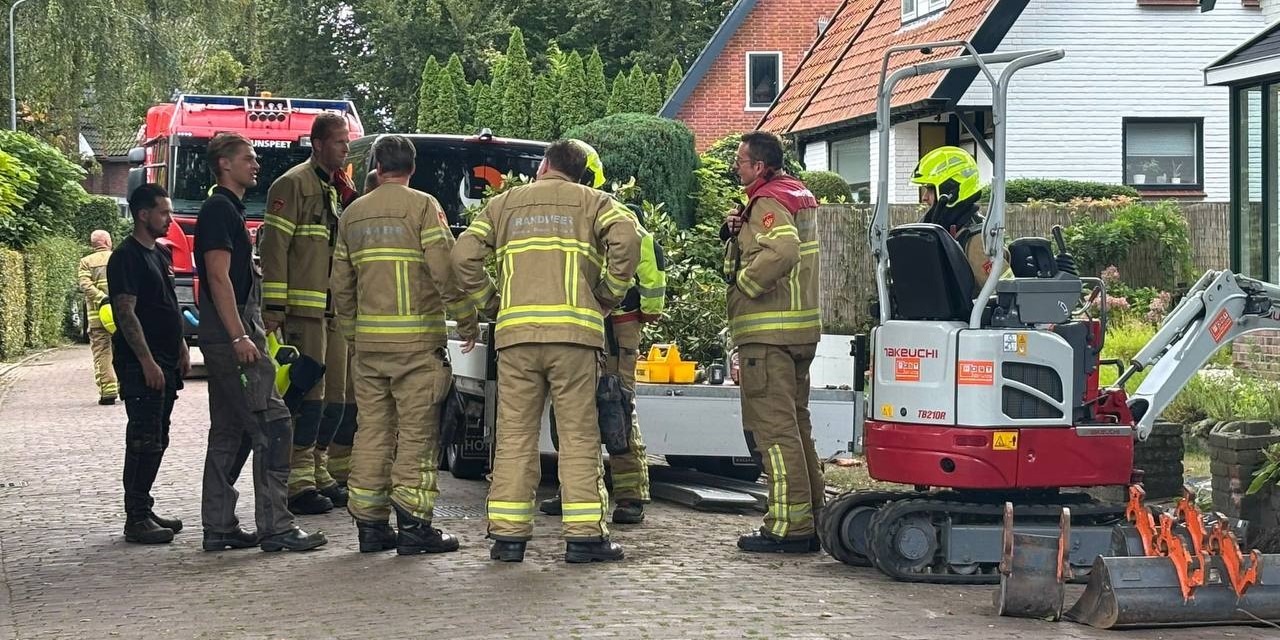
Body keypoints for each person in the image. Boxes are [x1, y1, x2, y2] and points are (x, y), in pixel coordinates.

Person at [453, 139, 639, 563]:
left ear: (543, 166)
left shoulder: (504, 205)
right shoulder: (596, 203)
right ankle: (584, 538)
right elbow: (627, 238)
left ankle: (508, 537)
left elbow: (463, 254)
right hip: (574, 337)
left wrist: (492, 303)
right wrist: (608, 294)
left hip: (517, 338)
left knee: (515, 434)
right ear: (578, 172)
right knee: (577, 436)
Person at [330, 135, 479, 554]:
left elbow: (340, 285)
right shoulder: (422, 206)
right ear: (412, 168)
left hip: (370, 349)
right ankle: (414, 529)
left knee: (372, 432)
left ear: (376, 166)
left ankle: (371, 528)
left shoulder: (353, 214)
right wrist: (466, 318)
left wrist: (352, 334)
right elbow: (443, 270)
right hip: (416, 348)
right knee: (416, 435)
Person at [196, 132, 327, 553]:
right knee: (274, 424)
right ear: (224, 165)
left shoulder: (228, 210)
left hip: (226, 336)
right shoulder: (219, 211)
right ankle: (276, 526)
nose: (255, 164)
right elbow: (217, 277)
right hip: (231, 337)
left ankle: (219, 525)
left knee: (229, 431)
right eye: (248, 158)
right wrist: (239, 335)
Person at [539, 142, 666, 525]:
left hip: (614, 324)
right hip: (588, 322)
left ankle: (629, 494)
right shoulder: (584, 210)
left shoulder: (610, 211)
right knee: (574, 409)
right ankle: (576, 490)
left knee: (615, 404)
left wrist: (644, 308)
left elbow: (648, 254)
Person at [721, 131, 824, 553]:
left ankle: (788, 528)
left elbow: (782, 250)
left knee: (774, 433)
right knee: (798, 429)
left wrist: (746, 282)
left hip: (769, 335)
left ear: (759, 166)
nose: (736, 168)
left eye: (741, 162)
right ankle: (815, 516)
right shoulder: (796, 193)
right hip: (799, 332)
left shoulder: (767, 201)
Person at [259, 112, 358, 515]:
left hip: (332, 312)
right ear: (317, 143)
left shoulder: (335, 189)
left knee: (336, 397)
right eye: (339, 142)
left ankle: (318, 471)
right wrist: (275, 307)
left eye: (347, 142)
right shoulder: (293, 185)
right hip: (303, 312)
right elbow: (275, 247)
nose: (346, 148)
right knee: (308, 396)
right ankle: (297, 482)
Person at [107, 185, 188, 544]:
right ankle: (135, 517)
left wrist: (183, 343)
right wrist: (146, 361)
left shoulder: (160, 255)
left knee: (159, 437)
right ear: (143, 214)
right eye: (163, 212)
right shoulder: (126, 257)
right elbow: (126, 312)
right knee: (142, 438)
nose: (169, 219)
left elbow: (167, 303)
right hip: (143, 366)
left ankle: (145, 506)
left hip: (167, 361)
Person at [320, 171, 382, 488]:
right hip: (357, 328)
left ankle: (339, 468)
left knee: (350, 403)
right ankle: (336, 468)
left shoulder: (354, 219)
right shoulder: (359, 219)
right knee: (344, 401)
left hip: (356, 328)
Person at [910, 145, 1000, 288]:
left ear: (951, 190)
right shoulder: (934, 233)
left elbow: (1003, 295)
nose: (924, 197)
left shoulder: (978, 242)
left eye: (930, 190)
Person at [79, 229, 118, 405]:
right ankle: (126, 388)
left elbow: (85, 285)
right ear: (108, 242)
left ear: (93, 244)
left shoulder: (86, 262)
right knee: (124, 351)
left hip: (98, 318)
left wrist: (101, 299)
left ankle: (108, 393)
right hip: (121, 316)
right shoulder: (119, 257)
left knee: (102, 353)